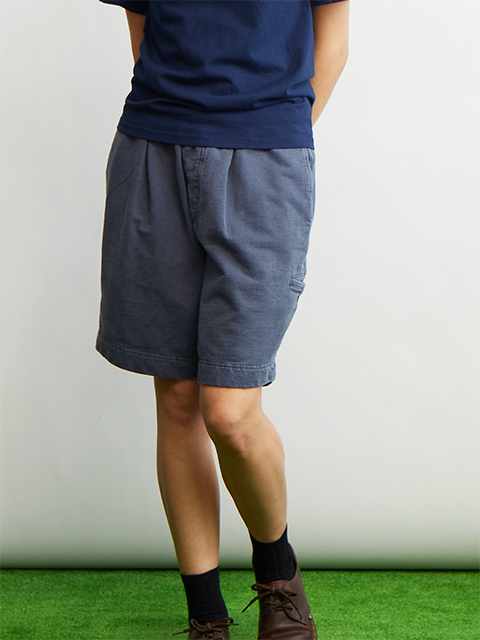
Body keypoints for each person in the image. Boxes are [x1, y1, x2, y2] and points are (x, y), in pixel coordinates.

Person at [96, 1, 349, 638]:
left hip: (268, 154)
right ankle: (206, 617)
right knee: (178, 397)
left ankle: (278, 575)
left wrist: (272, 130)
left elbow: (334, 41)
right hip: (153, 146)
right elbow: (143, 31)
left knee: (231, 411)